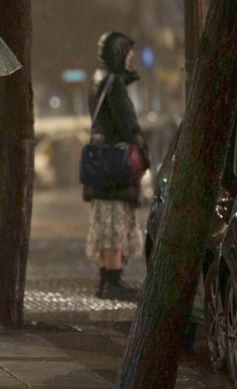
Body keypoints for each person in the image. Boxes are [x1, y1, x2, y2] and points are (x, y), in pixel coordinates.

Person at [84, 31, 148, 301]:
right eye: (128, 52)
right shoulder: (113, 84)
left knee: (105, 219)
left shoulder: (98, 80)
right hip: (116, 161)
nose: (131, 57)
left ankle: (105, 279)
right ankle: (113, 281)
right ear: (117, 53)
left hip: (101, 160)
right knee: (114, 221)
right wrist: (142, 150)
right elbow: (126, 124)